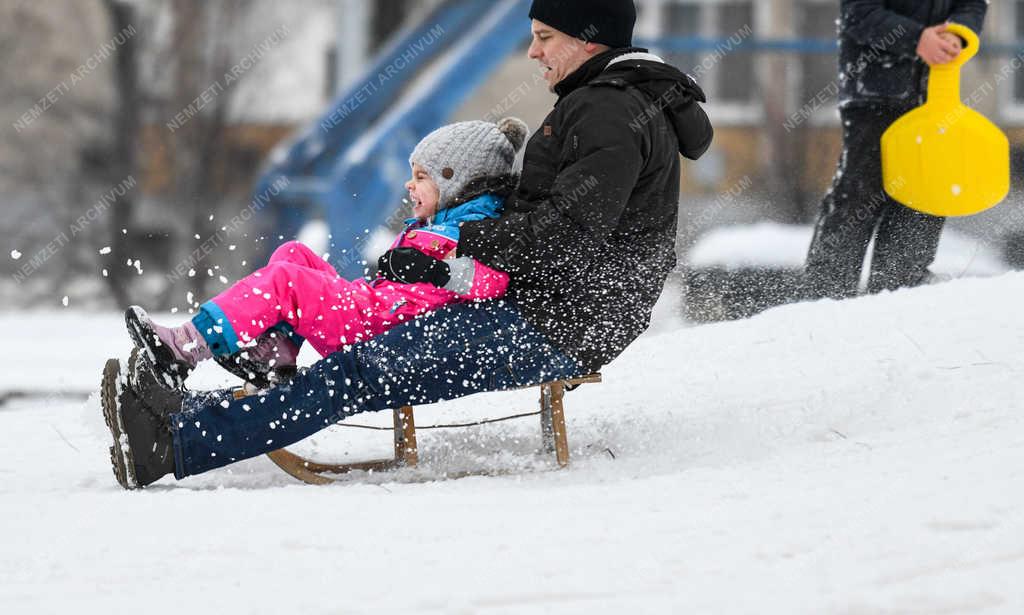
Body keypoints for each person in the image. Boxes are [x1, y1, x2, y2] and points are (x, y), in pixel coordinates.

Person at [100, 0, 714, 489]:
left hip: (557, 322)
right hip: (553, 310)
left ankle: (173, 442)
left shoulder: (608, 112)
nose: (533, 51)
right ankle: (187, 419)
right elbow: (556, 229)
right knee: (363, 361)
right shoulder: (602, 104)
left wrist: (455, 246)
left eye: (546, 37)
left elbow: (566, 234)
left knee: (366, 368)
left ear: (589, 37)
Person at [126, 118, 527, 390]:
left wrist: (436, 272)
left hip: (378, 330)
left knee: (286, 281)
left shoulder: (477, 231)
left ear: (455, 180)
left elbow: (494, 281)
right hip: (373, 312)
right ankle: (276, 355)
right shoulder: (439, 223)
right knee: (293, 253)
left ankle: (184, 348)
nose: (409, 185)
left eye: (421, 177)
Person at [804, 0, 988, 299]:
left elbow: (973, 4)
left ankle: (899, 302)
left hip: (935, 98)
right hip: (876, 95)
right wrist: (916, 39)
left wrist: (958, 33)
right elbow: (859, 13)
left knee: (924, 198)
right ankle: (824, 301)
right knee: (860, 196)